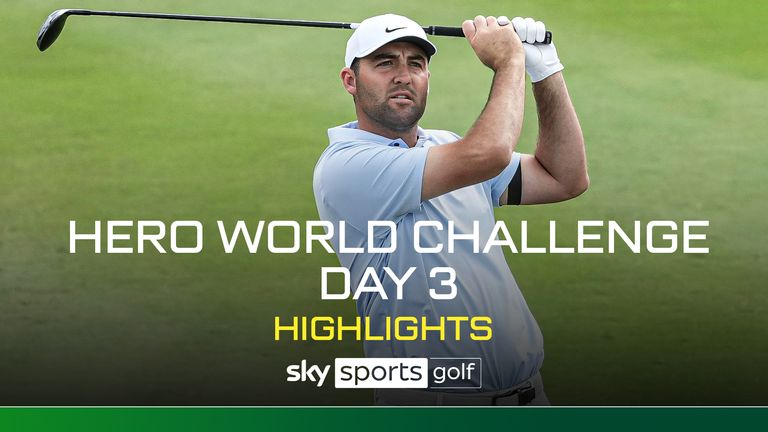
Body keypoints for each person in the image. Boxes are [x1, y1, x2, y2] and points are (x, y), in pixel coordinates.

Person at [313, 13, 588, 405]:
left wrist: (545, 70)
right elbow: (488, 153)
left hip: (528, 398)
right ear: (350, 80)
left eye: (416, 63)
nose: (403, 75)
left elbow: (565, 178)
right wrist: (510, 62)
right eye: (385, 62)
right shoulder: (346, 167)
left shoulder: (445, 146)